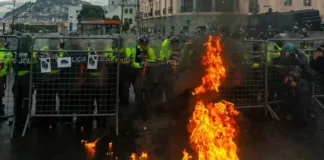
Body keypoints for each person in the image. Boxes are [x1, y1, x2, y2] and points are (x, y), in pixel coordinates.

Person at [277, 43, 314, 122]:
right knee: (292, 96)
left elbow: (304, 64)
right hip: (294, 78)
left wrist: (294, 57)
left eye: (287, 52)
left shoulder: (301, 55)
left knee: (306, 97)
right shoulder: (287, 57)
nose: (285, 53)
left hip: (304, 79)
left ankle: (309, 111)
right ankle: (293, 111)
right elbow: (283, 64)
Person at [131, 35, 156, 120]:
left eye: (145, 43)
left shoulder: (150, 50)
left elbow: (153, 60)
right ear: (139, 43)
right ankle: (138, 115)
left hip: (147, 77)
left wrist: (147, 62)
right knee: (138, 98)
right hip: (138, 76)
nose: (144, 45)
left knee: (148, 97)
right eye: (142, 43)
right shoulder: (135, 50)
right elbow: (132, 61)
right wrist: (140, 64)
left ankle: (148, 114)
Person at [13, 34, 32, 127]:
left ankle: (22, 119)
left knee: (23, 100)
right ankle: (20, 119)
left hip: (23, 80)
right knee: (21, 100)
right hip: (22, 80)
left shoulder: (30, 52)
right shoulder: (29, 52)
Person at [0, 38, 12, 117]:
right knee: (0, 93)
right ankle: (1, 110)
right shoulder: (8, 52)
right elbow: (8, 64)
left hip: (1, 76)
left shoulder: (7, 53)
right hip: (2, 76)